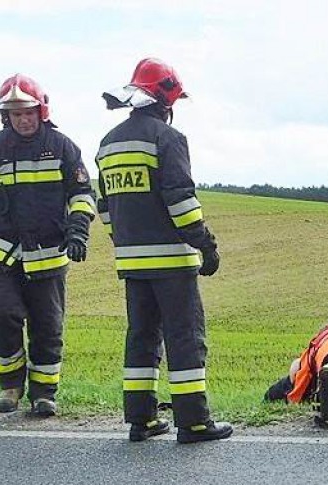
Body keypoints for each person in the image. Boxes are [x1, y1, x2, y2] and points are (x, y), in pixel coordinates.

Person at [96, 58, 231, 443]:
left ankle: (142, 420)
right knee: (185, 337)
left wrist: (125, 242)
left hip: (131, 262)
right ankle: (194, 422)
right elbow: (180, 201)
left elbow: (106, 207)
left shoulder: (108, 144)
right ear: (167, 99)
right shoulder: (168, 138)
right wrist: (206, 245)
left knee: (141, 338)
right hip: (172, 262)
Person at [0, 74, 95, 416]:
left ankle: (43, 394)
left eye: (28, 112)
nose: (23, 120)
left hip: (49, 256)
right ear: (6, 117)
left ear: (41, 111)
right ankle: (10, 386)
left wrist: (78, 231)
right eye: (15, 114)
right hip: (4, 256)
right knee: (4, 315)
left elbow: (81, 193)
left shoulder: (62, 146)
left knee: (47, 328)